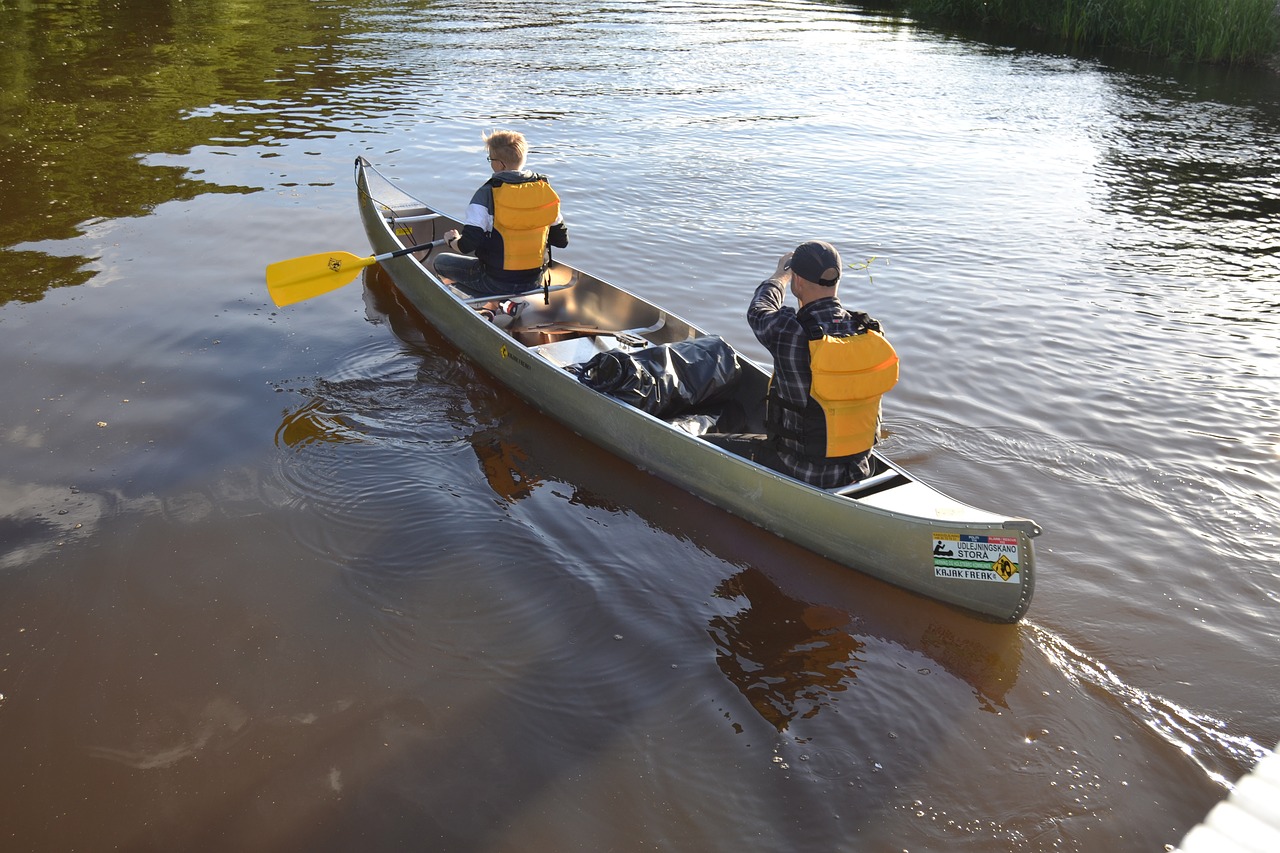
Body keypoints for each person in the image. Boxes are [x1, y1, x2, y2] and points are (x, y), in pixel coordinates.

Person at [744, 240, 899, 488]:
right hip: (859, 467)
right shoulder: (870, 330)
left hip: (799, 470)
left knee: (714, 442)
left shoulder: (790, 330)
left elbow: (759, 310)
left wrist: (779, 277)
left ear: (798, 282)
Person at [434, 129, 569, 298]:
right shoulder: (544, 192)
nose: (491, 163)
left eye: (491, 159)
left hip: (494, 281)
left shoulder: (486, 193)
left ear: (500, 165)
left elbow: (466, 246)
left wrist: (452, 240)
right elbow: (561, 241)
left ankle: (481, 301)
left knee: (440, 261)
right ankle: (505, 303)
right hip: (534, 280)